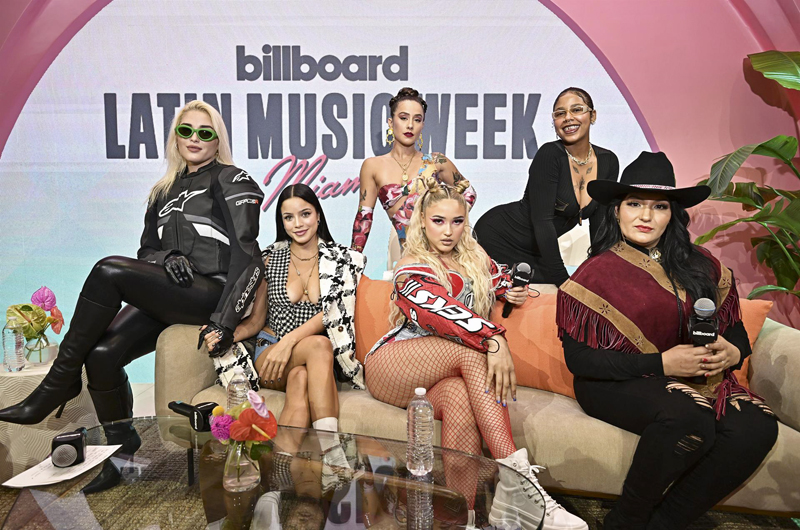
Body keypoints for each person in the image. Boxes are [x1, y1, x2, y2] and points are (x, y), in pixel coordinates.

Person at [0, 100, 265, 493]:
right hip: (174, 291)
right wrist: (168, 256)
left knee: (109, 270)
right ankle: (121, 454)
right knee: (103, 356)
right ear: (175, 138)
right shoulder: (162, 190)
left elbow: (247, 255)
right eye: (186, 130)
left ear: (217, 140)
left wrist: (225, 321)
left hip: (211, 293)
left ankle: (58, 382)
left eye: (205, 132)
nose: (195, 138)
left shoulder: (231, 178)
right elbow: (147, 253)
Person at [556, 151, 777, 529]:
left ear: (672, 213)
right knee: (688, 416)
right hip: (614, 384)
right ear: (616, 210)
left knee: (756, 425)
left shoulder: (703, 263)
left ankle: (666, 523)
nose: (645, 216)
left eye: (658, 206)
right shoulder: (595, 274)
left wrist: (733, 350)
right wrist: (661, 364)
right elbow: (581, 361)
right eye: (635, 204)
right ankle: (626, 520)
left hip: (694, 381)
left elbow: (734, 326)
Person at [364, 177, 588, 530]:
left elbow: (499, 279)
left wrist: (509, 292)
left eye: (457, 221)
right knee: (473, 355)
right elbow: (439, 310)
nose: (448, 231)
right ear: (422, 221)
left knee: (459, 400)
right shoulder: (412, 265)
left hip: (445, 377)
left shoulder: (474, 259)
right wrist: (494, 339)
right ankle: (519, 482)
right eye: (438, 221)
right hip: (397, 362)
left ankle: (462, 518)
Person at [204, 183, 365, 465]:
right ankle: (332, 453)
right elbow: (256, 320)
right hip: (271, 355)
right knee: (318, 344)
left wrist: (289, 342)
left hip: (306, 358)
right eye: (288, 218)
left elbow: (332, 311)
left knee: (301, 377)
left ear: (318, 215)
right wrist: (225, 335)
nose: (297, 224)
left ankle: (278, 475)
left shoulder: (339, 260)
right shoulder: (269, 258)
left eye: (304, 214)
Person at [474, 87, 619, 286]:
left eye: (576, 110)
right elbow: (543, 222)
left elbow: (601, 226)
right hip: (500, 238)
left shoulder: (608, 161)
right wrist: (563, 282)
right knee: (544, 291)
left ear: (592, 115)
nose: (568, 118)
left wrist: (603, 275)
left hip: (540, 252)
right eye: (560, 114)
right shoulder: (550, 155)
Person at [350, 87, 476, 267]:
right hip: (412, 259)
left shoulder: (436, 161)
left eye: (417, 120)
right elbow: (364, 217)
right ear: (390, 122)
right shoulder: (373, 166)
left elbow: (468, 192)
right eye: (403, 118)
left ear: (423, 125)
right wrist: (352, 262)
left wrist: (449, 220)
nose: (410, 125)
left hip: (448, 257)